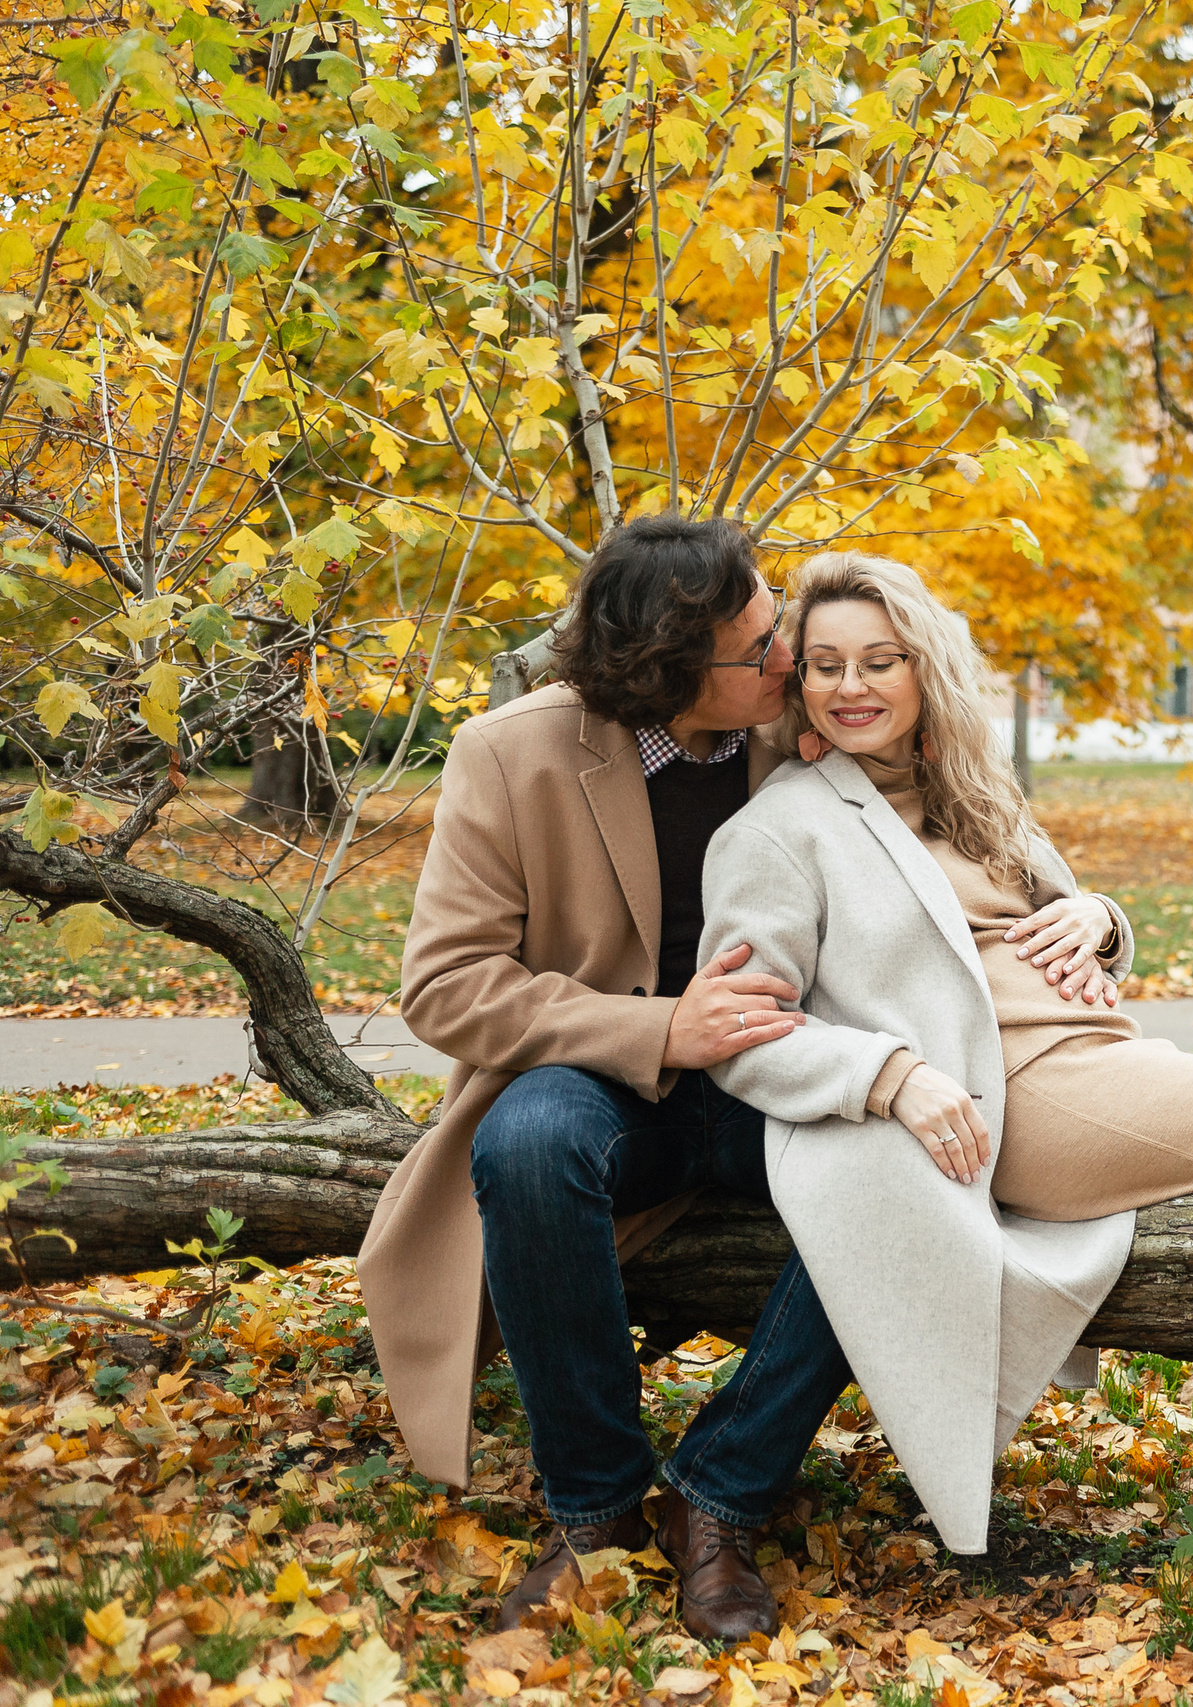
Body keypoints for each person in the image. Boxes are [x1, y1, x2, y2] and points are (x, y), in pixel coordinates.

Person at [697, 551, 1193, 1556]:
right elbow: (744, 1033)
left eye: (880, 661)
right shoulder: (782, 828)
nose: (851, 688)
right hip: (1014, 1100)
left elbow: (1065, 920)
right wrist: (891, 1076)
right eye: (826, 665)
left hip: (1101, 1060)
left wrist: (1098, 918)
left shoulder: (969, 790)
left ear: (926, 668)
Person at [357, 516, 853, 1639]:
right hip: (599, 1079)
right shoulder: (511, 751)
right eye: (761, 649)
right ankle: (594, 1518)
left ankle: (715, 1498)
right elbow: (444, 987)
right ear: (670, 672)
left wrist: (1088, 917)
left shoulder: (812, 730)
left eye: (778, 632)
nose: (792, 660)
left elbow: (981, 841)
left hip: (784, 1076)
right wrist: (660, 1031)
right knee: (527, 1146)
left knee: (904, 1170)